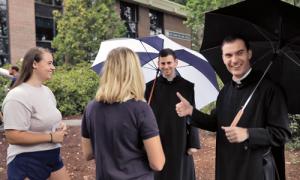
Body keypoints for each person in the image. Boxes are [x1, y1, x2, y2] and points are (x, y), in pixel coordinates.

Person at [175, 35, 291, 180]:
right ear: (223, 58)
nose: (234, 60)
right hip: (227, 168)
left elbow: (282, 133)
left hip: (256, 171)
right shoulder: (225, 91)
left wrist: (248, 133)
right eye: (228, 55)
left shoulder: (270, 90)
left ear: (249, 53)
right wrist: (191, 111)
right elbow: (216, 123)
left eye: (239, 53)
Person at [81, 47, 165, 180]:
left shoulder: (91, 108)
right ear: (134, 72)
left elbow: (88, 153)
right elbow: (158, 163)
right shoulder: (141, 109)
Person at [2, 47, 70, 180]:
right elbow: (12, 136)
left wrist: (59, 125)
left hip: (52, 156)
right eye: (49, 63)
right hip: (26, 160)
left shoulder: (47, 91)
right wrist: (51, 137)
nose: (53, 67)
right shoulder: (17, 96)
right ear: (34, 64)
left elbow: (46, 119)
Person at [145, 48, 200, 180]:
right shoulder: (149, 87)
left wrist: (193, 142)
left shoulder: (187, 86)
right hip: (157, 138)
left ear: (176, 63)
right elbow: (144, 116)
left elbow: (193, 114)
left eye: (169, 63)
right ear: (158, 64)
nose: (166, 67)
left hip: (179, 138)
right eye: (162, 63)